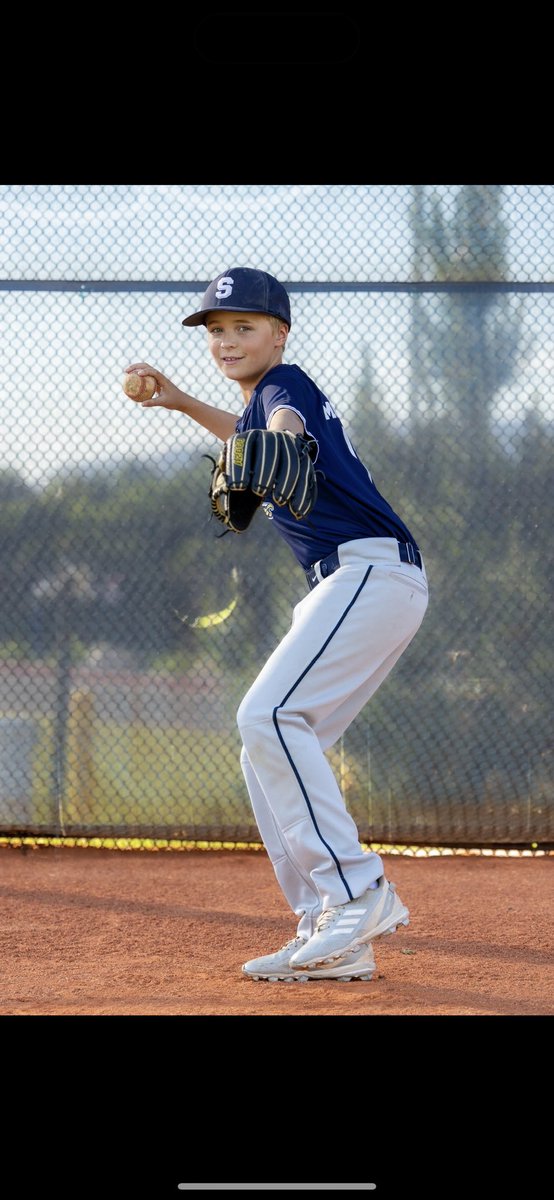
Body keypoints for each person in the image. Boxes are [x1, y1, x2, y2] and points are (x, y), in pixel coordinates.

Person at [125, 267, 429, 983]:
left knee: (266, 715)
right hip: (358, 583)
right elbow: (250, 431)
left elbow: (283, 423)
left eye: (245, 326)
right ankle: (332, 929)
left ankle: (356, 891)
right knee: (265, 747)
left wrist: (283, 442)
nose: (227, 340)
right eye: (216, 329)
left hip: (367, 573)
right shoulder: (260, 401)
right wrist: (178, 400)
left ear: (279, 334)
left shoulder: (283, 385)